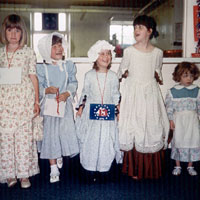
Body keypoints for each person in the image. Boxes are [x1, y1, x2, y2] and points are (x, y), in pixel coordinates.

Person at [117, 15, 169, 179]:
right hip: (133, 94)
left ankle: (150, 170)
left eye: (140, 27)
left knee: (151, 125)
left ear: (149, 31)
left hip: (150, 94)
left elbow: (157, 74)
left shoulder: (158, 53)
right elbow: (122, 72)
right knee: (134, 125)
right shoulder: (129, 51)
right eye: (135, 27)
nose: (136, 31)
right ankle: (135, 169)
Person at [0, 14, 40, 188]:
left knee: (24, 139)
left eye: (17, 30)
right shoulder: (0, 53)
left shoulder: (28, 52)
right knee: (7, 139)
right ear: (4, 32)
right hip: (4, 103)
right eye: (10, 30)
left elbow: (33, 76)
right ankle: (10, 174)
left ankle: (24, 174)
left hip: (24, 101)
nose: (13, 34)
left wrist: (36, 102)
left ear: (22, 32)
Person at [76, 40, 122, 180]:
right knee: (91, 140)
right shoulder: (89, 75)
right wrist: (81, 107)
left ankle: (104, 170)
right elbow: (85, 93)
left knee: (106, 141)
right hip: (92, 114)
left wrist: (117, 110)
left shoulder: (113, 77)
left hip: (107, 114)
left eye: (108, 53)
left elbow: (115, 95)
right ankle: (89, 169)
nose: (106, 57)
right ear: (95, 56)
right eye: (102, 54)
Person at [36, 32, 79, 183]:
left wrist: (67, 93)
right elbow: (38, 87)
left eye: (60, 45)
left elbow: (73, 82)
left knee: (65, 131)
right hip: (49, 106)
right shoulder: (42, 68)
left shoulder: (68, 66)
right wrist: (46, 90)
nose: (59, 49)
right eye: (54, 46)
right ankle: (53, 167)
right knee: (51, 134)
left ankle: (59, 152)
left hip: (64, 105)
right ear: (47, 50)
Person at [165, 62, 200, 176]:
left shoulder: (196, 90)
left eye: (191, 75)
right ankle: (178, 165)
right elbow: (169, 108)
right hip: (179, 120)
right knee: (178, 141)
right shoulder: (173, 91)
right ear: (178, 76)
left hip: (192, 120)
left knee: (193, 140)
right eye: (185, 76)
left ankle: (190, 166)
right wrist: (170, 120)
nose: (189, 78)